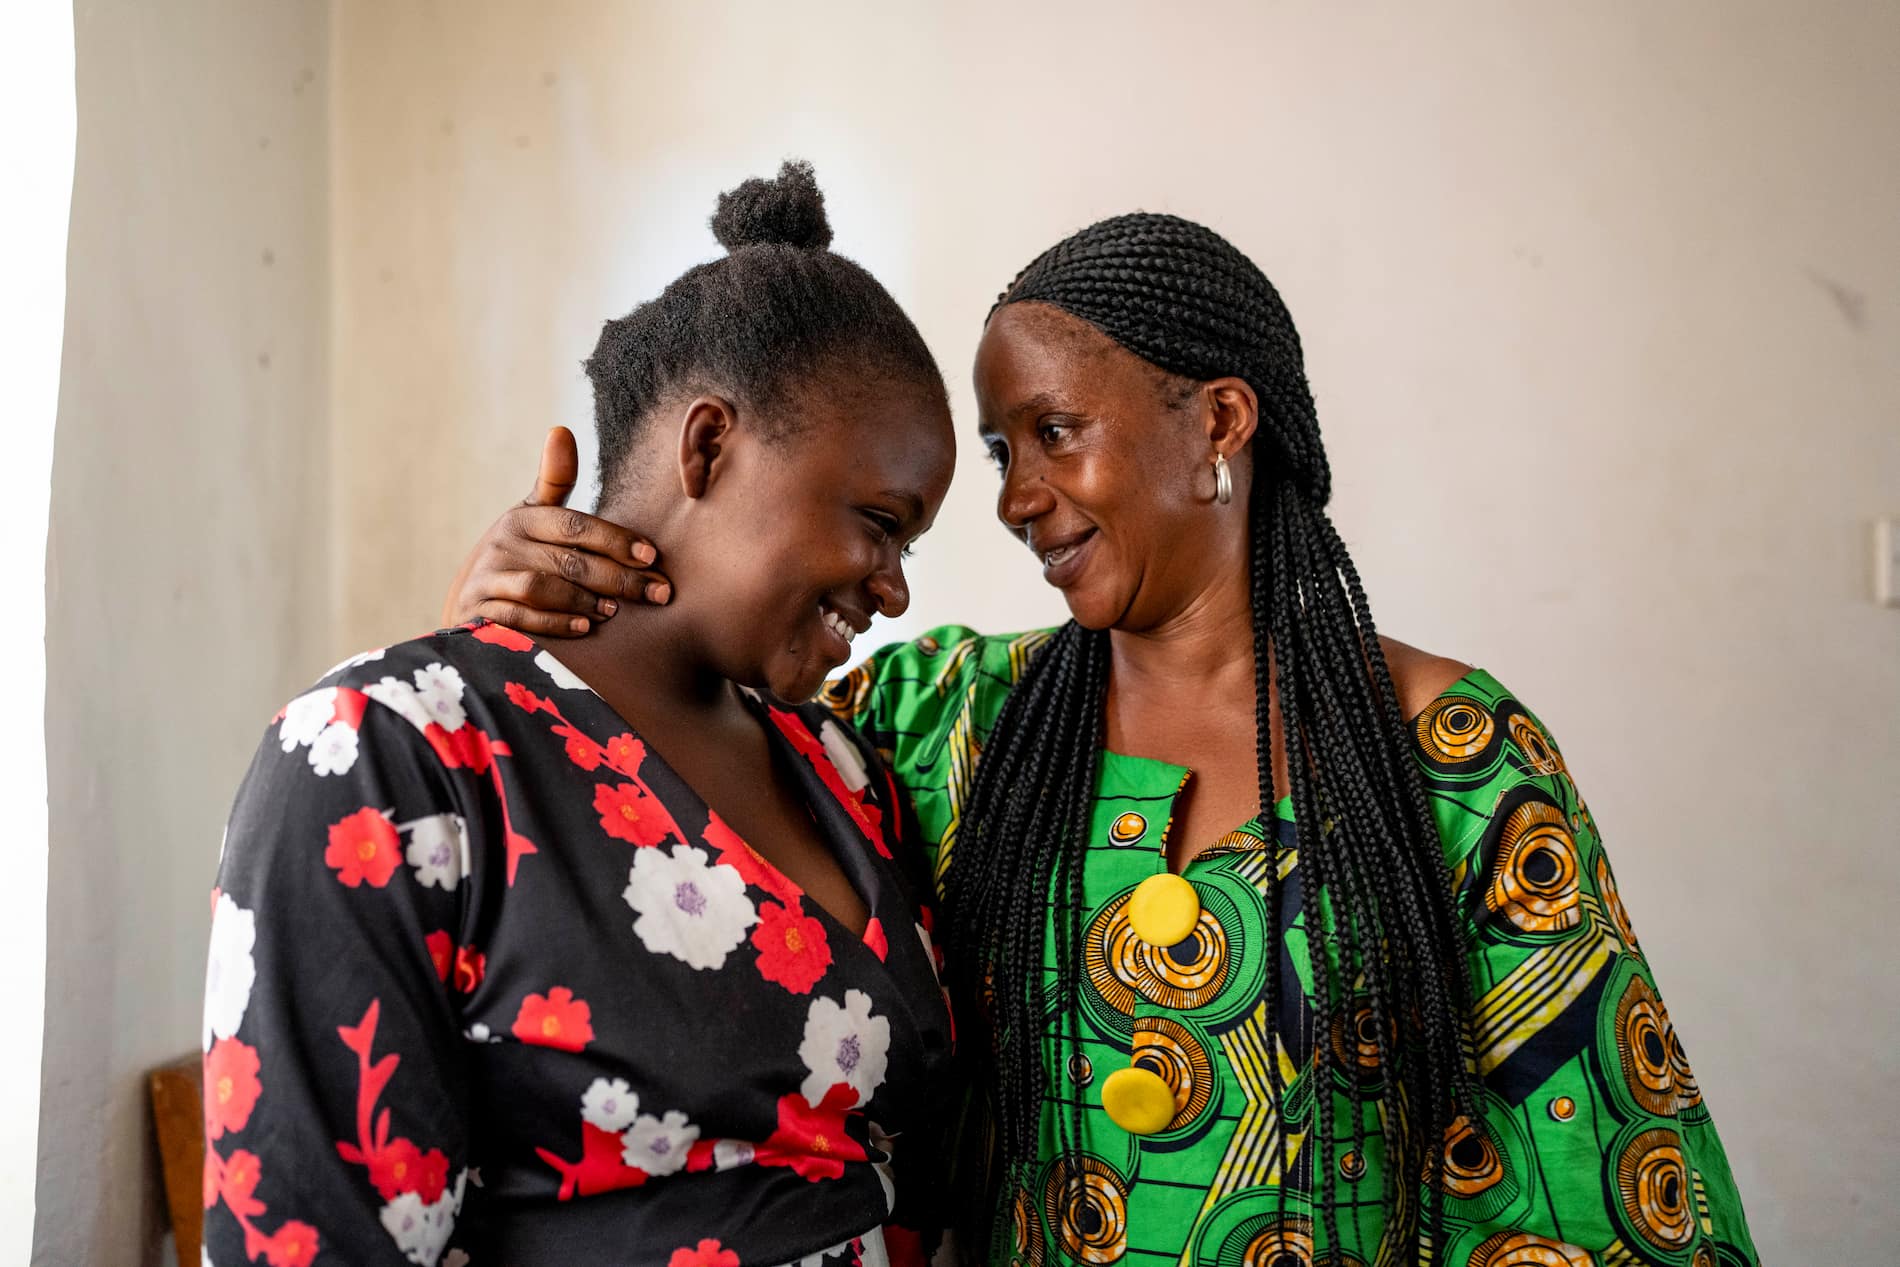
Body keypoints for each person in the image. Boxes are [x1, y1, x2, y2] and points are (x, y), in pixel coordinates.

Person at [446, 216, 1759, 1265]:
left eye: (1055, 433)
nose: (1016, 497)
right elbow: (646, 792)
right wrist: (516, 622)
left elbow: (1596, 1172)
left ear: (1219, 424)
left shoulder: (1452, 754)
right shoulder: (946, 717)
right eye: (1002, 450)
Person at [204, 162, 959, 1267]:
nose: (893, 590)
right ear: (708, 446)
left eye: (910, 548)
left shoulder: (848, 772)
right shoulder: (386, 755)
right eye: (881, 523)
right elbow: (312, 1235)